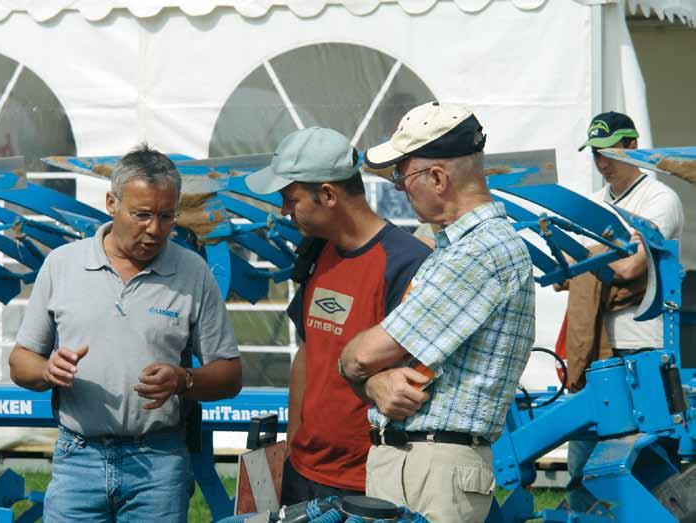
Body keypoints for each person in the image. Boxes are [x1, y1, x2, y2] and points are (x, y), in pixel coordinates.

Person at [8, 144, 242, 523]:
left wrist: (184, 380)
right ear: (111, 203)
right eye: (142, 215)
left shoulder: (192, 272)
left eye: (167, 216)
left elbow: (230, 376)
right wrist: (48, 370)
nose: (155, 229)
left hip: (158, 462)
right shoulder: (62, 265)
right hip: (77, 458)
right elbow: (20, 362)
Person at [339, 102, 536, 523]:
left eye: (402, 175)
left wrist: (362, 370)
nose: (399, 187)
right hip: (428, 459)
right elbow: (378, 363)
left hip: (432, 464)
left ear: (438, 177)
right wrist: (375, 384)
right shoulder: (464, 248)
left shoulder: (478, 252)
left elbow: (362, 356)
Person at [245, 127, 432, 504]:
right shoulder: (315, 252)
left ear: (328, 194)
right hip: (304, 472)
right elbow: (308, 351)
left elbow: (418, 378)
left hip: (367, 480)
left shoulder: (407, 264)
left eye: (290, 198)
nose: (284, 210)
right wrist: (296, 447)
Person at [564, 111, 684, 512]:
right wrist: (601, 259)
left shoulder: (659, 199)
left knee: (647, 458)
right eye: (596, 153)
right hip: (596, 350)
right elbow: (566, 271)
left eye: (611, 152)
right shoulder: (594, 204)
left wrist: (591, 258)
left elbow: (633, 267)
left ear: (633, 147)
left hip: (643, 347)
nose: (602, 162)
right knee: (584, 455)